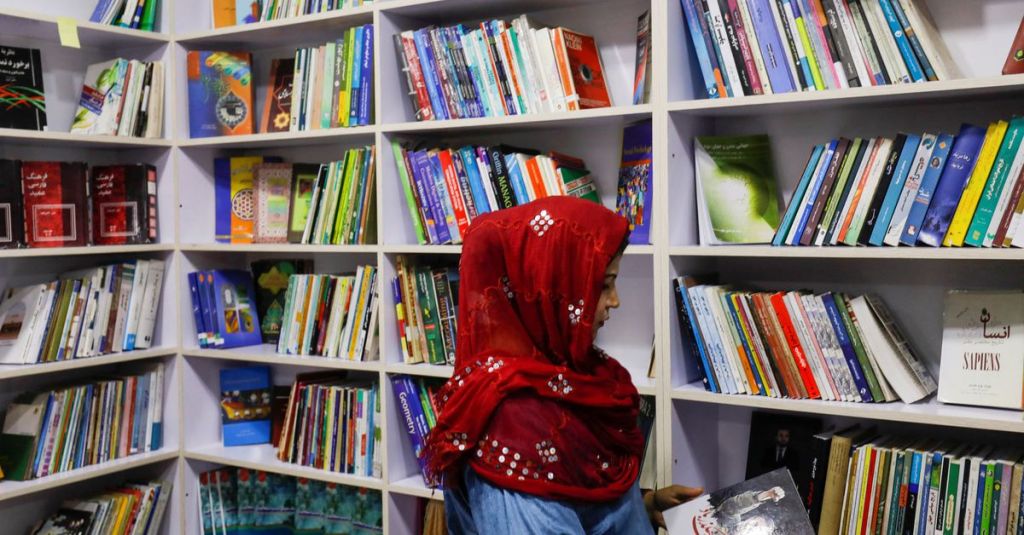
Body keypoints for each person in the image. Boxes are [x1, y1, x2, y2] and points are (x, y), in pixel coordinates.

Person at [422, 196, 701, 534]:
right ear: (550, 287)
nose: (615, 301)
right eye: (602, 286)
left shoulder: (579, 376)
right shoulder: (512, 429)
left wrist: (644, 507)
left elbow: (579, 504)